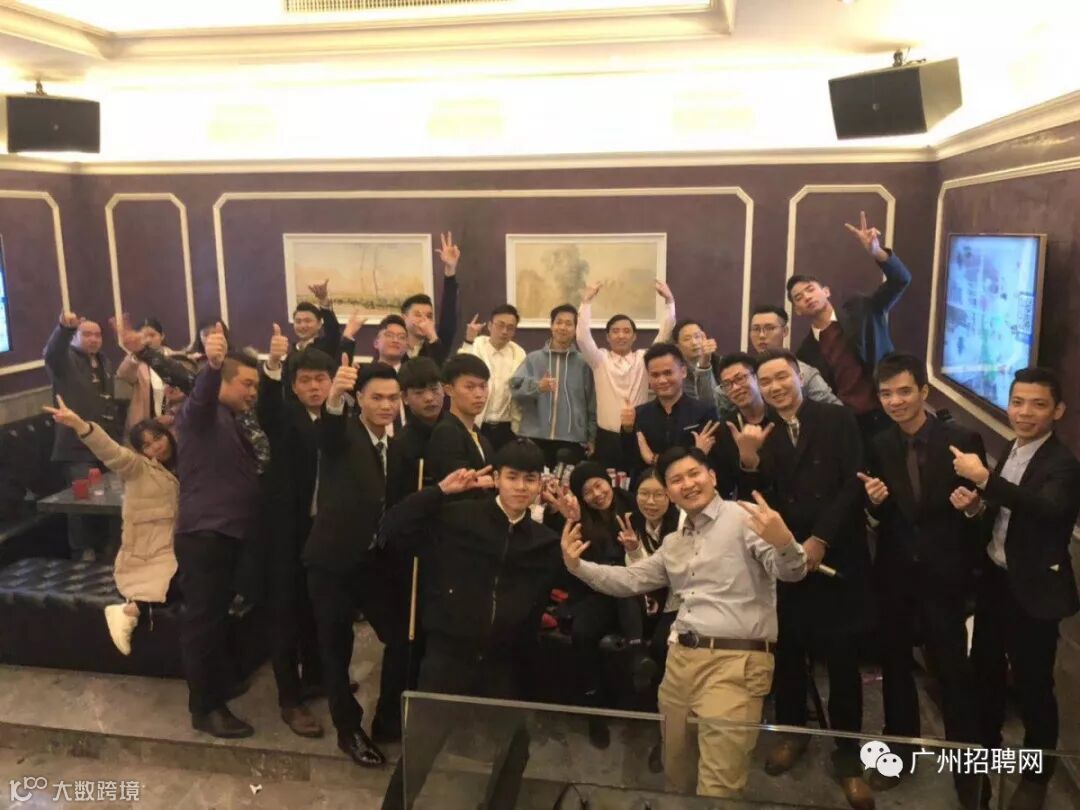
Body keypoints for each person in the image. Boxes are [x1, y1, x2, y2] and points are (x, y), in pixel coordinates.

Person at [562, 446, 807, 798]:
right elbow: (631, 579)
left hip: (735, 664)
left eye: (694, 474)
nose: (687, 484)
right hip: (679, 665)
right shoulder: (674, 542)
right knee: (676, 777)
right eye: (676, 480)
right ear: (670, 492)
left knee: (719, 788)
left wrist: (784, 541)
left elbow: (792, 571)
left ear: (713, 476)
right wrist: (577, 566)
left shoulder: (744, 517)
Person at [377, 439, 563, 810]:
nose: (521, 487)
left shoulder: (544, 541)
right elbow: (390, 530)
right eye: (512, 477)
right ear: (496, 479)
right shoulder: (458, 517)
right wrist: (440, 492)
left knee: (515, 747)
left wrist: (575, 519)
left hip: (502, 660)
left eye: (530, 479)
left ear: (541, 484)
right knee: (421, 747)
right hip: (449, 653)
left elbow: (585, 574)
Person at [737, 348, 873, 810]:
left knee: (842, 660)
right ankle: (792, 733)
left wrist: (820, 540)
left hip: (837, 555)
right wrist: (749, 461)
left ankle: (848, 755)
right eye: (766, 381)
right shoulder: (762, 432)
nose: (775, 387)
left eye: (782, 377)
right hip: (787, 560)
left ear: (799, 376)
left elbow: (854, 483)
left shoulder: (837, 419)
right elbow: (757, 499)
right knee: (790, 654)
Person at [950, 367, 1080, 810]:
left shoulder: (1064, 464)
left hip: (1035, 590)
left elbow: (1046, 510)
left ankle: (1037, 775)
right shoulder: (1012, 446)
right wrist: (976, 507)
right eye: (1017, 402)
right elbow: (1006, 512)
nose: (1024, 412)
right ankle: (983, 757)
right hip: (996, 579)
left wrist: (985, 479)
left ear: (1058, 411)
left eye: (1038, 404)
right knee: (984, 671)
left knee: (1033, 685)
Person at [859, 353, 985, 807]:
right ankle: (899, 753)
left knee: (952, 672)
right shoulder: (878, 444)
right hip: (894, 575)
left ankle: (968, 769)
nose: (895, 401)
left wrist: (972, 507)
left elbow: (981, 511)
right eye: (886, 394)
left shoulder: (961, 439)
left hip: (944, 576)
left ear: (923, 392)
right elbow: (882, 511)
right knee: (895, 668)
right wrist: (874, 504)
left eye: (904, 391)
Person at [301, 358, 403, 766]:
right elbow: (326, 434)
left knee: (401, 636)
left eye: (393, 398)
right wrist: (333, 399)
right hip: (331, 561)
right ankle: (349, 731)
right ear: (359, 398)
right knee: (336, 650)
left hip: (373, 562)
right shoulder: (343, 433)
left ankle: (389, 719)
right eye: (377, 397)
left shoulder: (393, 443)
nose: (386, 405)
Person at [173, 326, 262, 739]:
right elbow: (200, 399)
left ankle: (219, 683)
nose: (252, 392)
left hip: (227, 534)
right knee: (203, 624)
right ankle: (205, 708)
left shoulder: (230, 419)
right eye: (246, 384)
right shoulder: (201, 415)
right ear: (224, 382)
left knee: (217, 619)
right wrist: (210, 367)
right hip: (205, 535)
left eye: (256, 385)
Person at [44, 397, 178, 658]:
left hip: (175, 545)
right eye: (147, 445)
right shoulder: (137, 468)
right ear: (140, 451)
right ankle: (129, 611)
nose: (156, 447)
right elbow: (111, 451)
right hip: (148, 553)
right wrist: (80, 425)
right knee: (185, 577)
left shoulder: (181, 463)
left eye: (157, 438)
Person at [258, 327, 336, 740]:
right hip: (284, 534)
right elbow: (268, 409)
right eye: (305, 380)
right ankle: (290, 699)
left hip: (320, 530)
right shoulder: (285, 416)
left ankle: (316, 678)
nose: (314, 387)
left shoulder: (336, 417)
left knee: (314, 608)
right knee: (285, 616)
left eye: (320, 379)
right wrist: (273, 366)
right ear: (293, 385)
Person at [787, 212, 911, 439]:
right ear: (798, 310)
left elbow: (901, 280)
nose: (807, 297)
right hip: (849, 425)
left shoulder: (861, 309)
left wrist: (876, 251)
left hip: (889, 410)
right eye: (799, 297)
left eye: (810, 289)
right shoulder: (805, 353)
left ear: (826, 291)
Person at [561, 462, 657, 745]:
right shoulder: (579, 517)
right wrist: (569, 521)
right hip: (596, 591)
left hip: (636, 589)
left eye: (599, 485)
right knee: (582, 632)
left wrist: (633, 548)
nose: (596, 494)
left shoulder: (634, 505)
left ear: (608, 481)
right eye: (587, 491)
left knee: (624, 588)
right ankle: (594, 704)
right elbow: (572, 561)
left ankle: (639, 660)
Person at [43, 311, 120, 562]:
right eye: (86, 334)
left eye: (97, 335)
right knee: (81, 504)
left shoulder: (104, 361)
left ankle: (111, 552)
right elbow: (52, 353)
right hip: (76, 447)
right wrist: (63, 329)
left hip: (106, 445)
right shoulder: (65, 360)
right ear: (75, 337)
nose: (93, 339)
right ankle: (82, 556)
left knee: (112, 500)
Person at [576, 280, 676, 469]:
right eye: (615, 331)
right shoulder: (599, 359)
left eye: (626, 331)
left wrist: (669, 302)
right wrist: (586, 302)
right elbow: (582, 337)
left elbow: (665, 334)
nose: (621, 336)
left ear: (634, 336)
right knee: (607, 483)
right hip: (607, 437)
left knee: (638, 481)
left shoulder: (643, 359)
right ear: (607, 337)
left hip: (639, 434)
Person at [623, 343, 739, 498]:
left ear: (683, 371)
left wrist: (653, 458)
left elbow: (713, 462)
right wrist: (627, 429)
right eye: (655, 375)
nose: (662, 380)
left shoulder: (704, 412)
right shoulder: (639, 414)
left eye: (668, 373)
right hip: (653, 498)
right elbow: (631, 462)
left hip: (692, 494)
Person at [510, 304, 597, 469]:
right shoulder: (533, 359)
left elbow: (592, 403)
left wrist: (592, 437)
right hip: (534, 436)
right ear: (551, 325)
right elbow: (514, 389)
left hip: (572, 440)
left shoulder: (584, 363)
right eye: (559, 322)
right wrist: (537, 387)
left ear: (576, 329)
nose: (563, 327)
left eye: (568, 323)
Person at [715, 305, 840, 417]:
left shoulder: (804, 371)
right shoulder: (743, 372)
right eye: (756, 329)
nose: (762, 335)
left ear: (785, 331)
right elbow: (721, 402)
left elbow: (836, 410)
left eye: (769, 328)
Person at [461, 304, 526, 451]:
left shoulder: (519, 353)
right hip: (478, 423)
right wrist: (469, 340)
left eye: (510, 328)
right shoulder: (476, 346)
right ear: (490, 326)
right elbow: (460, 368)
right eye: (500, 325)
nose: (504, 331)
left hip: (507, 427)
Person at [386, 357, 447, 507]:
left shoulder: (460, 429)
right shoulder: (400, 445)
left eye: (434, 389)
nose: (429, 398)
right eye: (419, 393)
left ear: (444, 389)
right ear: (404, 398)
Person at [424, 353, 493, 482]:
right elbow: (458, 484)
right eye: (470, 387)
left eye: (483, 386)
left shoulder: (477, 433)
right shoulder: (446, 432)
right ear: (449, 390)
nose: (479, 394)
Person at [400, 231, 461, 366]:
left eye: (429, 316)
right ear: (404, 317)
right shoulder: (395, 346)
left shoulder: (435, 344)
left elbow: (449, 314)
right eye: (417, 314)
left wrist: (450, 270)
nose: (424, 320)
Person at [114, 316, 173, 432]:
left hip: (172, 425)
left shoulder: (176, 359)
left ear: (162, 336)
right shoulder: (134, 361)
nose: (148, 340)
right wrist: (136, 354)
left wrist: (173, 415)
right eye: (143, 336)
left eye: (152, 335)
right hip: (143, 425)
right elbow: (123, 374)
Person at [285, 279, 342, 394]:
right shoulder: (292, 353)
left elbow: (333, 330)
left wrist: (323, 300)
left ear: (319, 324)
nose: (302, 325)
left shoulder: (326, 345)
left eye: (307, 321)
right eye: (298, 321)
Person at [715, 353, 772, 430]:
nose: (735, 388)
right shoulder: (725, 427)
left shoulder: (781, 412)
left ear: (756, 377)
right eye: (727, 384)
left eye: (740, 378)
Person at [671, 318, 719, 402]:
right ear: (677, 347)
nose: (694, 342)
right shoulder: (679, 373)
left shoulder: (718, 362)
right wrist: (704, 366)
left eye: (697, 336)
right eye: (687, 339)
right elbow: (706, 403)